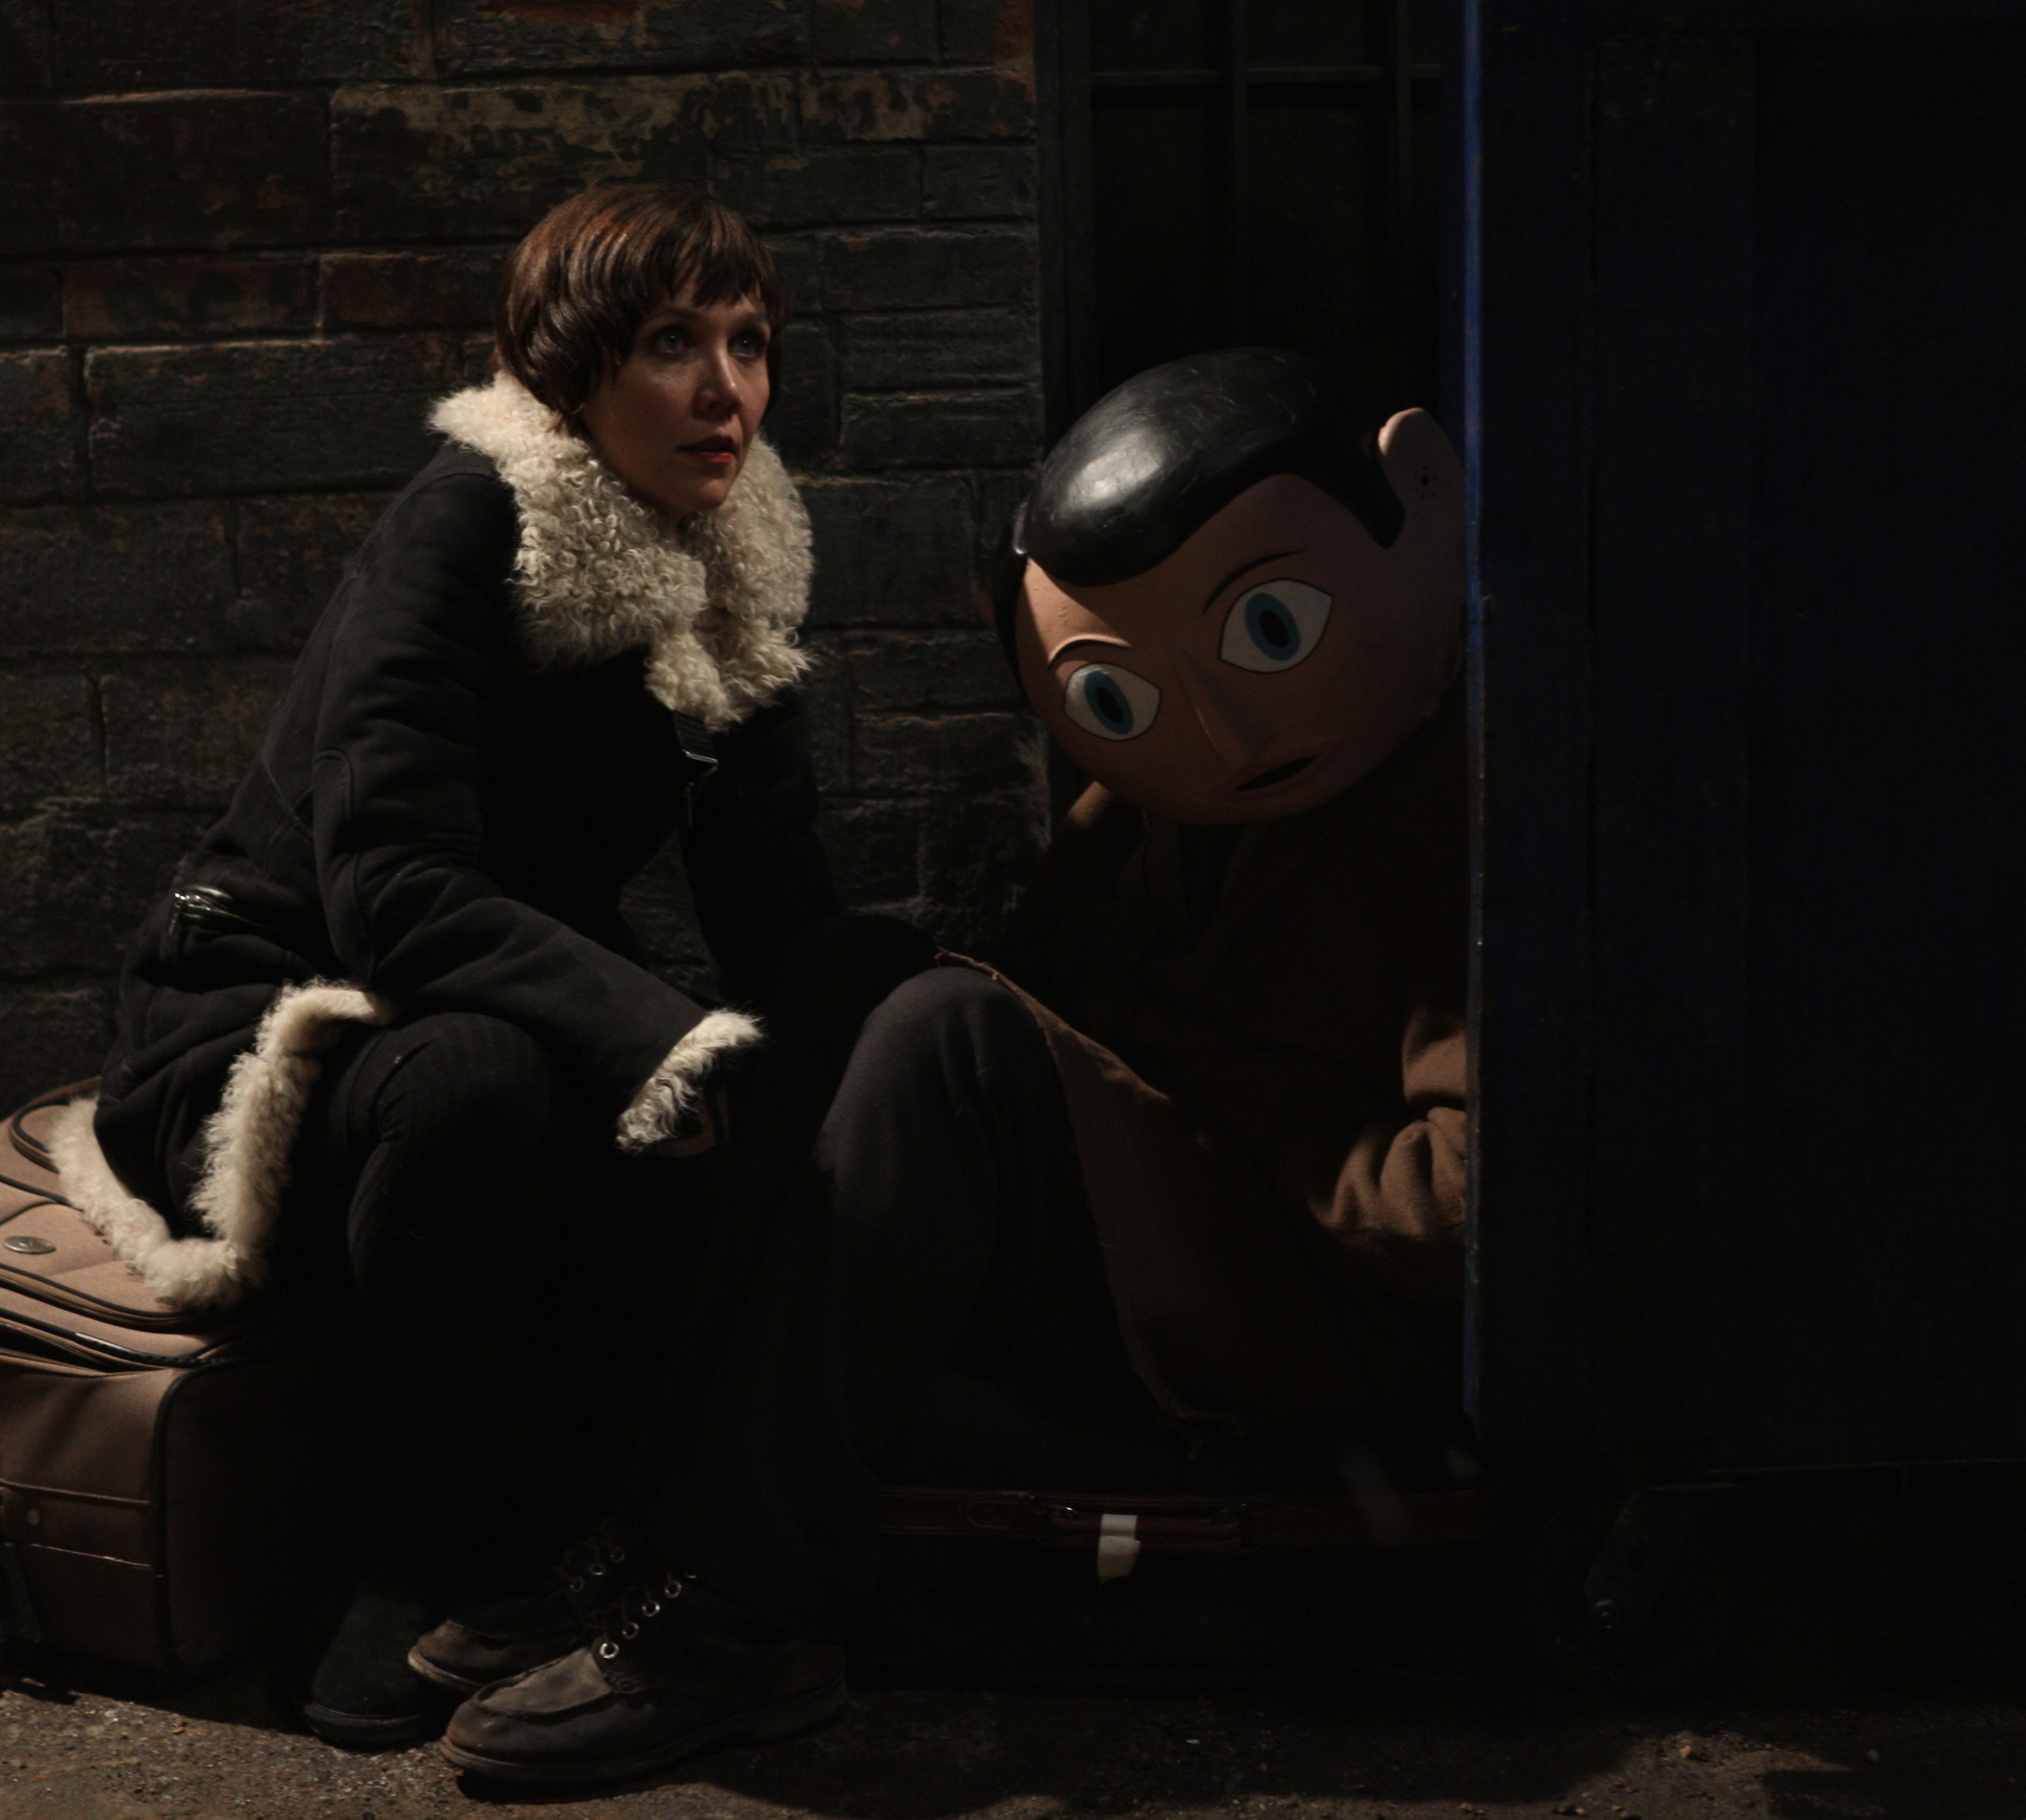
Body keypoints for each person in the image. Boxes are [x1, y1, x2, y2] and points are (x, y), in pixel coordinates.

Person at [426, 345, 1473, 1788]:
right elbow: (1052, 1006)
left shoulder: (1470, 811)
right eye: (1122, 697)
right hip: (1162, 1226)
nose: (1221, 727)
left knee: (946, 1036)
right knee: (847, 972)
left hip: (1296, 1306)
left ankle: (743, 1618)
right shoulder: (1164, 797)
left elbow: (1461, 1212)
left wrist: (1213, 1099)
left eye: (1271, 629)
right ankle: (661, 1534)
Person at [51, 183, 835, 1746]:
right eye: (672, 344)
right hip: (273, 1018)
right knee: (491, 1088)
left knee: (732, 1075)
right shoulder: (472, 518)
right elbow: (391, 892)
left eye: (748, 343)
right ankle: (403, 1560)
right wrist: (655, 1037)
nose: (724, 390)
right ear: (571, 368)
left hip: (492, 1003)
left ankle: (606, 1536)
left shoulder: (735, 550)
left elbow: (773, 903)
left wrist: (866, 1047)